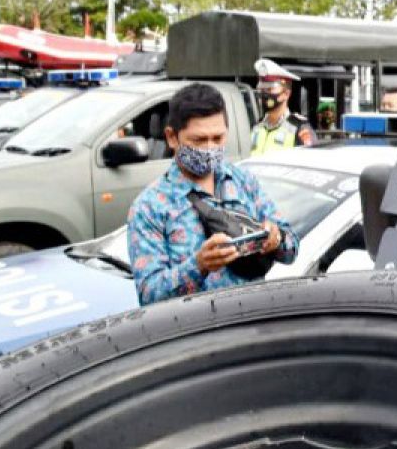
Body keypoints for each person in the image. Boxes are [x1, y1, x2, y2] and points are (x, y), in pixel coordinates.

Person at [127, 83, 299, 305]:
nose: (209, 148)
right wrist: (199, 266)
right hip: (197, 335)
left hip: (252, 325)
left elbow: (292, 247)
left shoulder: (242, 181)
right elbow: (149, 296)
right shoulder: (149, 207)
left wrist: (277, 240)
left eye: (218, 139)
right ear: (172, 137)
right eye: (198, 140)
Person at [251, 58, 316, 156]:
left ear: (286, 94)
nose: (264, 94)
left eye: (269, 89)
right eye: (262, 90)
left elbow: (310, 162)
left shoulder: (299, 128)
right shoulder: (257, 127)